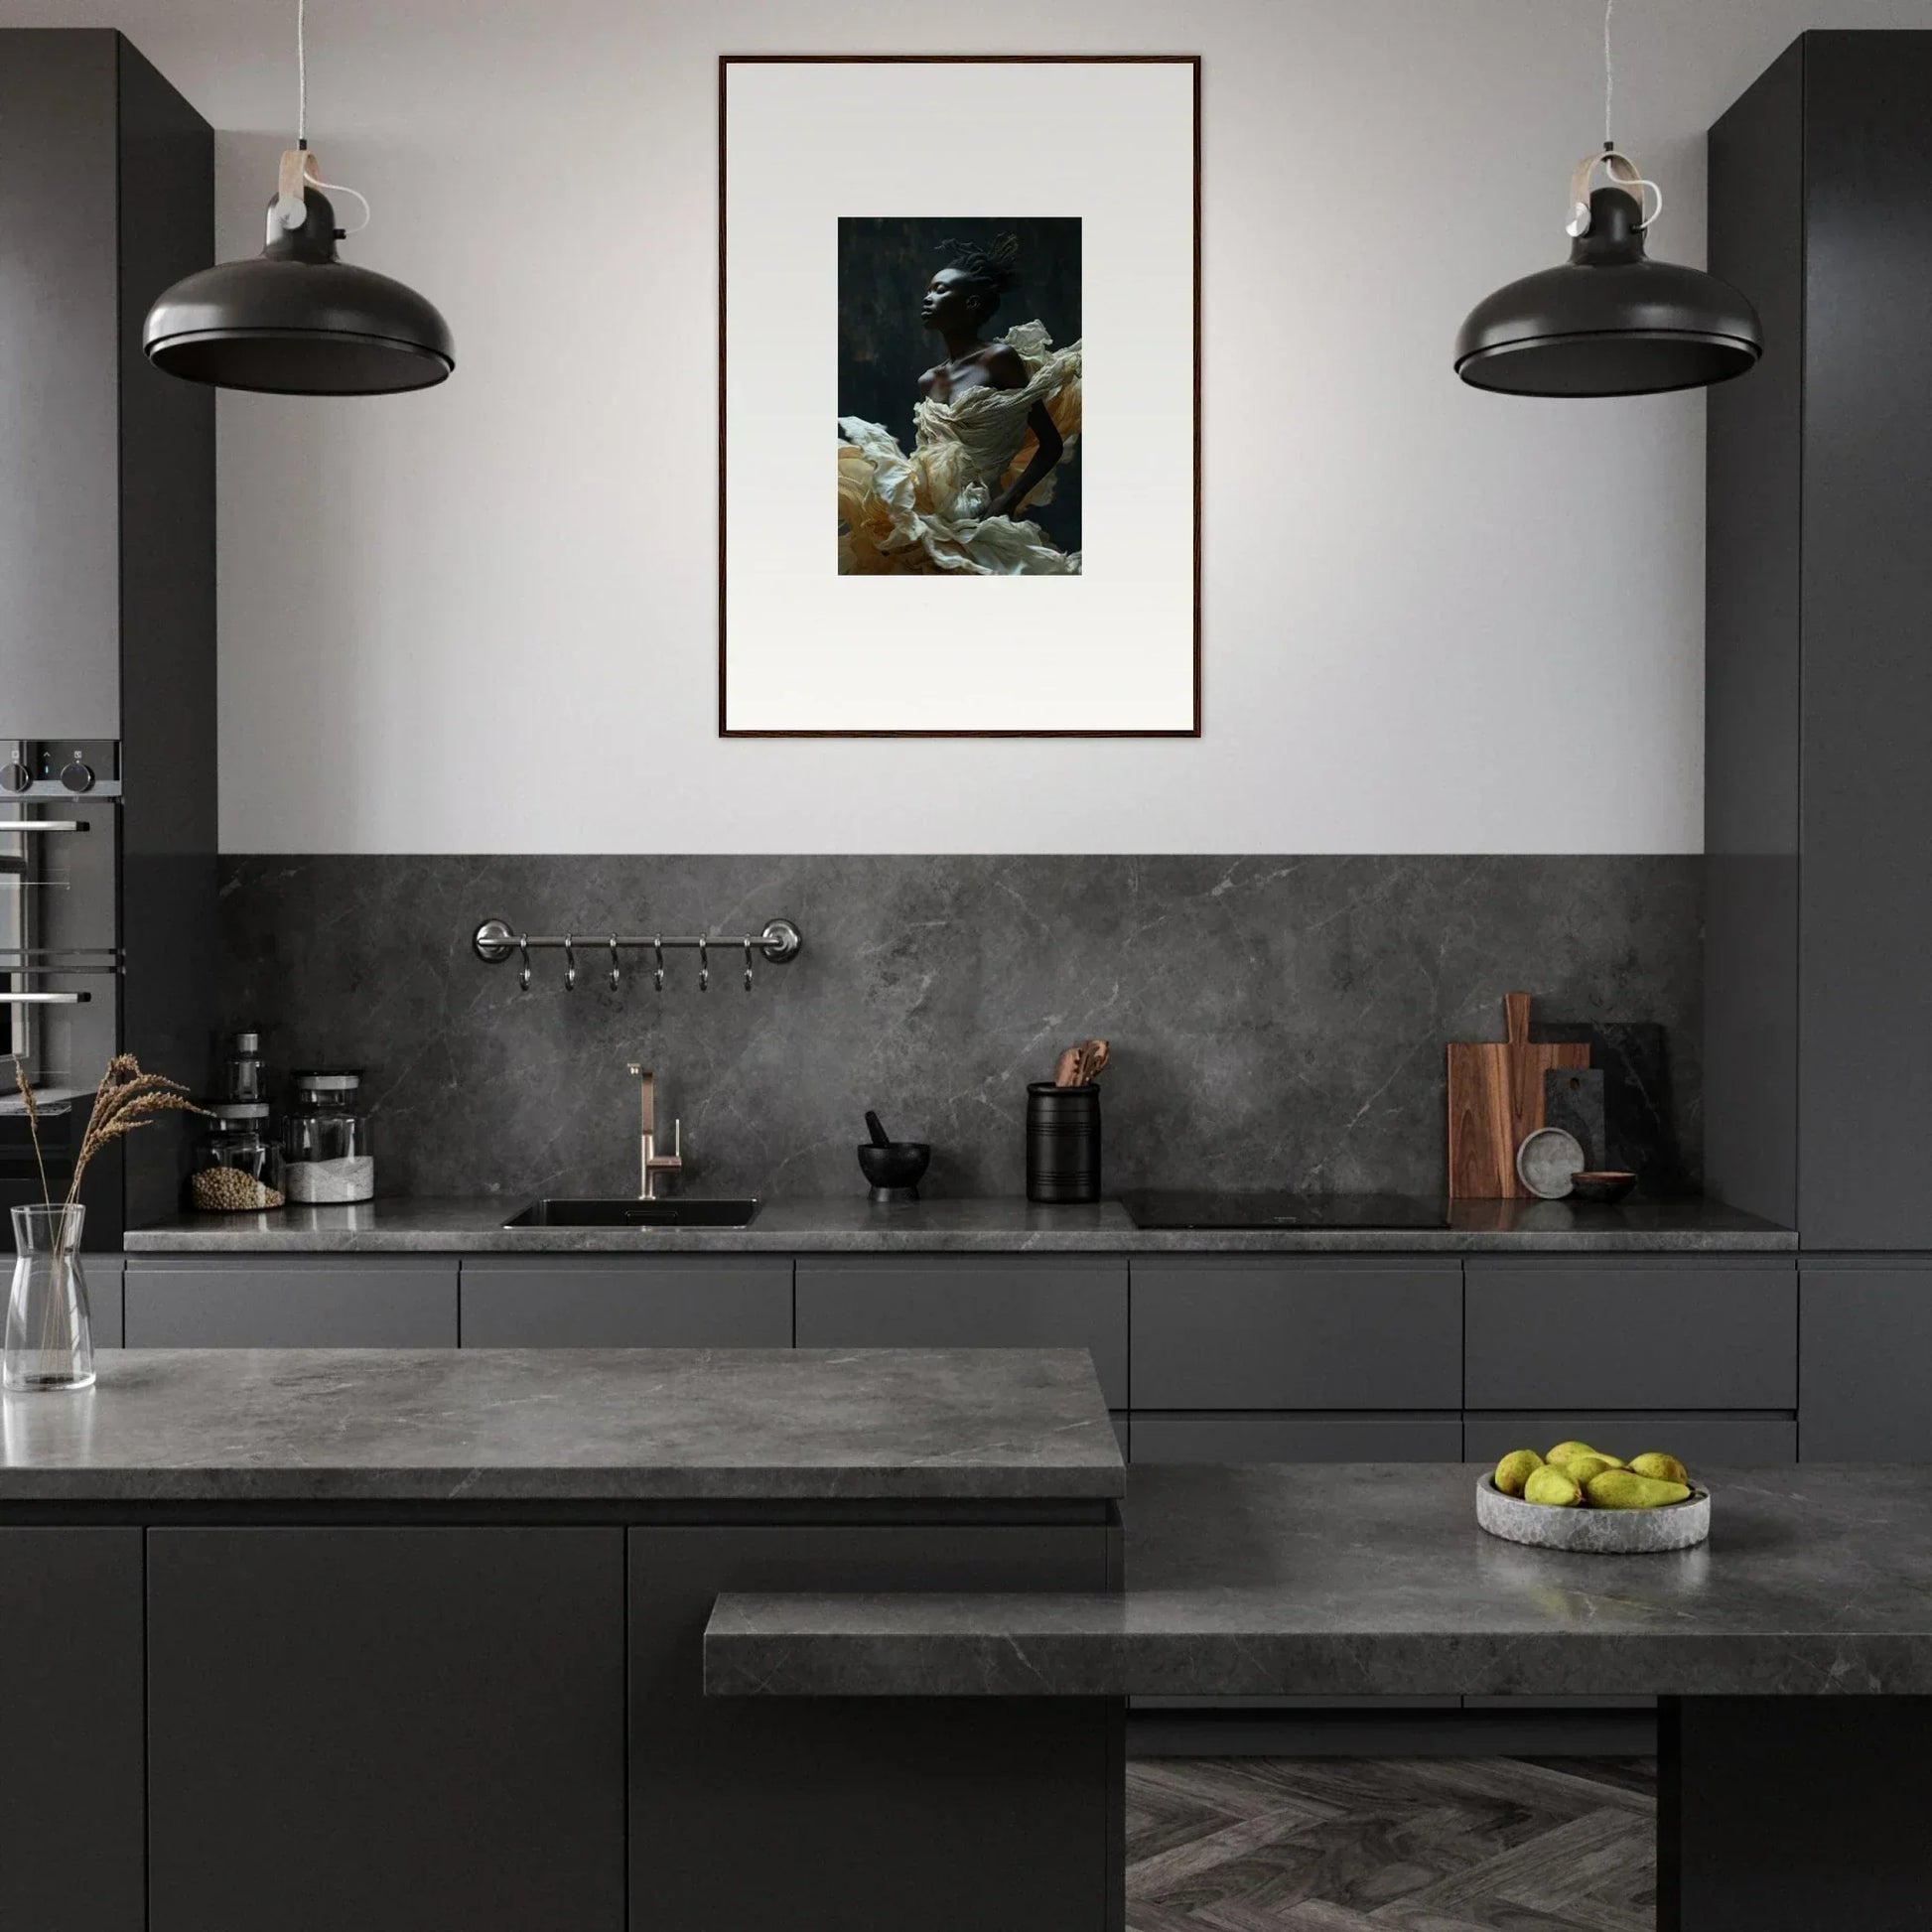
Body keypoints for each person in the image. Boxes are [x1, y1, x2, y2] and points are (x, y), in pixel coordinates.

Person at [837, 235, 1082, 575]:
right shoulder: (929, 380)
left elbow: (1051, 444)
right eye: (928, 289)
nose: (928, 297)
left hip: (982, 514)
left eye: (940, 290)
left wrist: (1006, 501)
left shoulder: (998, 359)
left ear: (971, 304)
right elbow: (932, 456)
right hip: (925, 514)